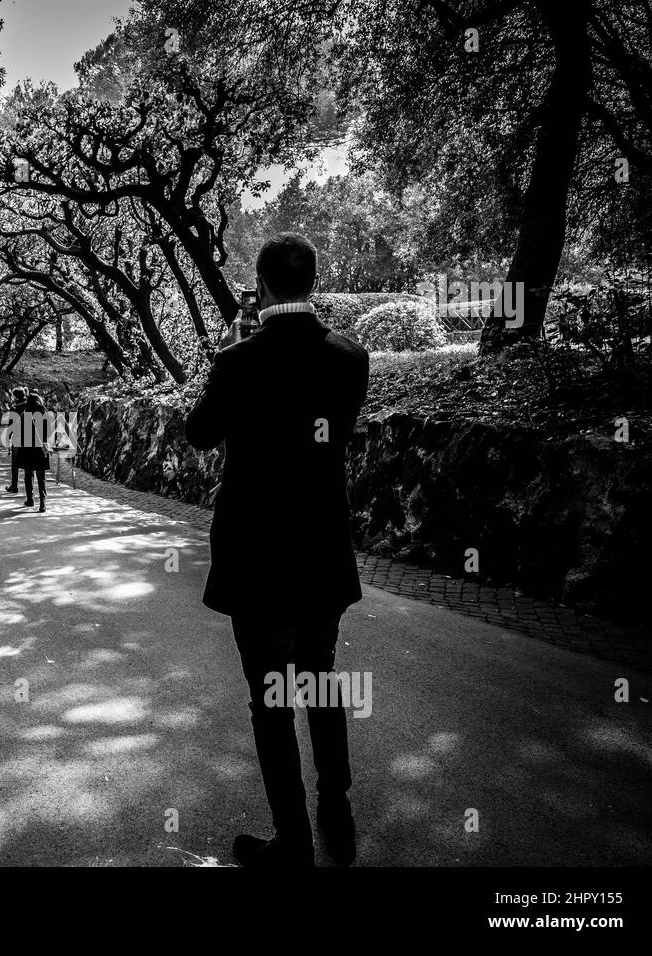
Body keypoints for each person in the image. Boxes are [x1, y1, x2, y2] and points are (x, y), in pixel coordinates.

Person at [185, 233, 369, 868]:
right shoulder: (350, 357)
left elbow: (200, 434)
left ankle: (292, 841)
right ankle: (336, 814)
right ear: (313, 283)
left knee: (271, 699)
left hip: (258, 558)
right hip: (321, 551)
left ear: (260, 287)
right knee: (321, 680)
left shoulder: (238, 363)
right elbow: (332, 432)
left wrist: (232, 352)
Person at [16, 389, 51, 513]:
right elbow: (50, 432)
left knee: (28, 474)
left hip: (27, 448)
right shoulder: (45, 414)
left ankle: (30, 499)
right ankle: (43, 502)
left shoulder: (25, 415)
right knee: (41, 477)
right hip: (41, 447)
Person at [4, 386, 27, 493]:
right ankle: (29, 490)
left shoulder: (15, 407)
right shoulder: (30, 405)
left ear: (15, 396)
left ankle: (14, 485)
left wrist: (8, 437)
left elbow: (11, 424)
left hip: (17, 437)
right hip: (30, 437)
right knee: (28, 463)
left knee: (15, 463)